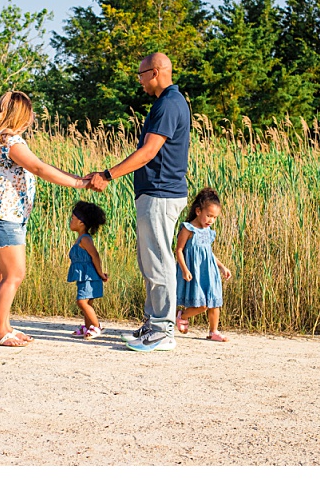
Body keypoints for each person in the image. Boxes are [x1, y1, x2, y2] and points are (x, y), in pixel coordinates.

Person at [87, 52, 190, 353]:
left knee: (158, 261)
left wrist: (107, 174)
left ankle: (162, 331)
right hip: (155, 192)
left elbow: (148, 152)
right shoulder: (166, 102)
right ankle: (153, 323)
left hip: (161, 192)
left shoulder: (170, 103)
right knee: (150, 261)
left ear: (156, 72)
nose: (140, 80)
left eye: (141, 74)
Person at [0, 90, 88, 347]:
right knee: (14, 274)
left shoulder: (1, 140)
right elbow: (38, 167)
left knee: (3, 275)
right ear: (22, 115)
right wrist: (78, 183)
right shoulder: (10, 141)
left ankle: (3, 326)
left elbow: (38, 166)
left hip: (0, 215)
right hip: (2, 216)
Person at [174, 187, 233, 342]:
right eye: (209, 216)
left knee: (214, 301)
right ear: (198, 211)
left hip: (209, 271)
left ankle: (213, 331)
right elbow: (179, 250)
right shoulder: (188, 229)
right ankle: (181, 316)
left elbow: (209, 253)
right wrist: (184, 269)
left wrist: (222, 267)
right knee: (203, 304)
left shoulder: (208, 230)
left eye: (214, 218)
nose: (211, 220)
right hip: (194, 271)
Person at [67, 201, 109, 339]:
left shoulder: (85, 239)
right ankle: (87, 327)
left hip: (89, 276)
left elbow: (95, 256)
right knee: (87, 302)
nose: (70, 221)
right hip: (83, 277)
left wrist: (100, 273)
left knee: (82, 302)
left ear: (81, 222)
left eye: (73, 218)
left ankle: (96, 327)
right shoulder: (80, 239)